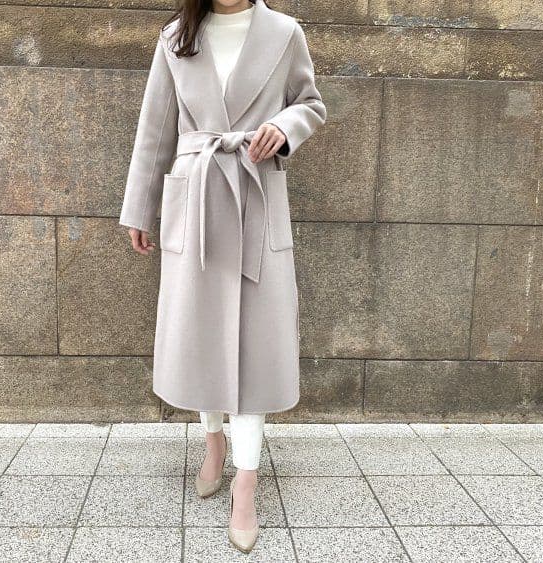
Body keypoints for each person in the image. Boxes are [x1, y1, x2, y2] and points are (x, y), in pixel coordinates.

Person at [119, 0, 326, 553]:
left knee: (255, 349)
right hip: (197, 201)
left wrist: (282, 126)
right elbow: (155, 128)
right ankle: (213, 442)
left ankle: (246, 484)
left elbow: (311, 103)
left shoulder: (284, 32)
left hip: (257, 196)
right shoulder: (176, 37)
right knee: (202, 337)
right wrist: (140, 209)